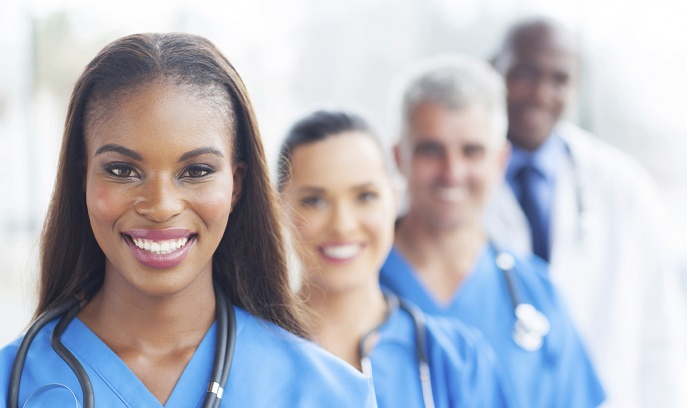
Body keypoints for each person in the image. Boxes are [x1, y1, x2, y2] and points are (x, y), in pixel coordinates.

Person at [0, 33, 378, 407]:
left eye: (196, 171)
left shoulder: (331, 393)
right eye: (123, 170)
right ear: (82, 178)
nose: (161, 206)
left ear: (236, 185)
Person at [379, 54, 605, 407]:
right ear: (398, 157)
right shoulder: (356, 284)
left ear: (500, 160)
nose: (451, 172)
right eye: (431, 150)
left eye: (472, 152)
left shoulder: (538, 294)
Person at [485, 17, 687, 407]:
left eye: (559, 79)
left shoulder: (623, 185)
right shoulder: (455, 183)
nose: (541, 93)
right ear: (494, 67)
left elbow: (661, 330)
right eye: (524, 73)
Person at [277, 109, 517, 408]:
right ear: (277, 210)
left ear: (394, 199)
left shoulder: (459, 361)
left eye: (365, 196)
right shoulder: (247, 355)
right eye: (314, 200)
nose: (342, 224)